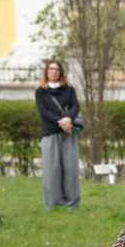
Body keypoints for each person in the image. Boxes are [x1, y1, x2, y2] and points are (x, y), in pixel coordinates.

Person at [35, 59, 81, 209]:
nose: (54, 71)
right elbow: (43, 111)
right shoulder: (40, 91)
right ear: (46, 72)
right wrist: (61, 121)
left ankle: (72, 202)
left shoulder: (69, 89)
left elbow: (75, 106)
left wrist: (69, 119)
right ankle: (53, 203)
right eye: (51, 69)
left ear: (61, 72)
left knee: (70, 169)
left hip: (68, 133)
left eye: (57, 69)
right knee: (51, 170)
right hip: (50, 133)